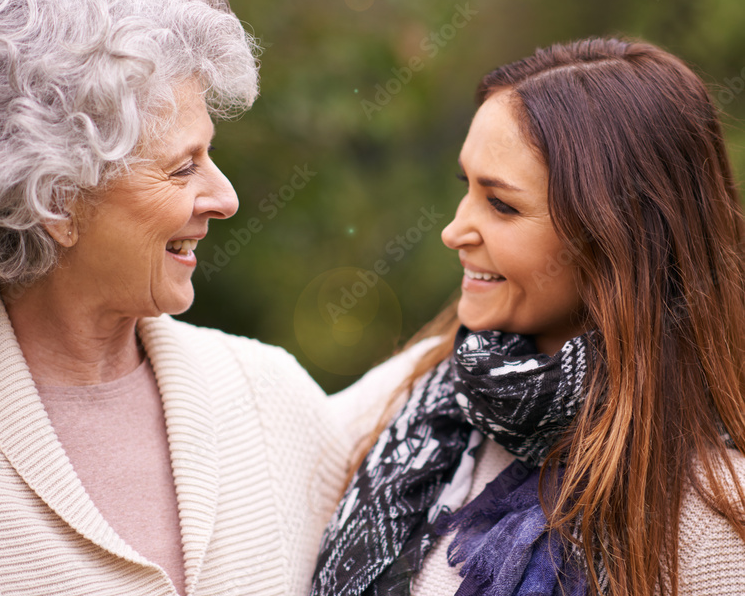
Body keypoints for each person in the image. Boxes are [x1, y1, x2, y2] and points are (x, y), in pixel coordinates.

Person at [0, 0, 348, 596]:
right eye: (182, 167)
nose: (226, 199)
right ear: (58, 200)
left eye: (212, 156)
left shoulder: (268, 394)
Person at [312, 38, 745, 596]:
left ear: (618, 239)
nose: (454, 231)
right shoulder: (418, 387)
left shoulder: (717, 520)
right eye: (465, 187)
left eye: (502, 204)